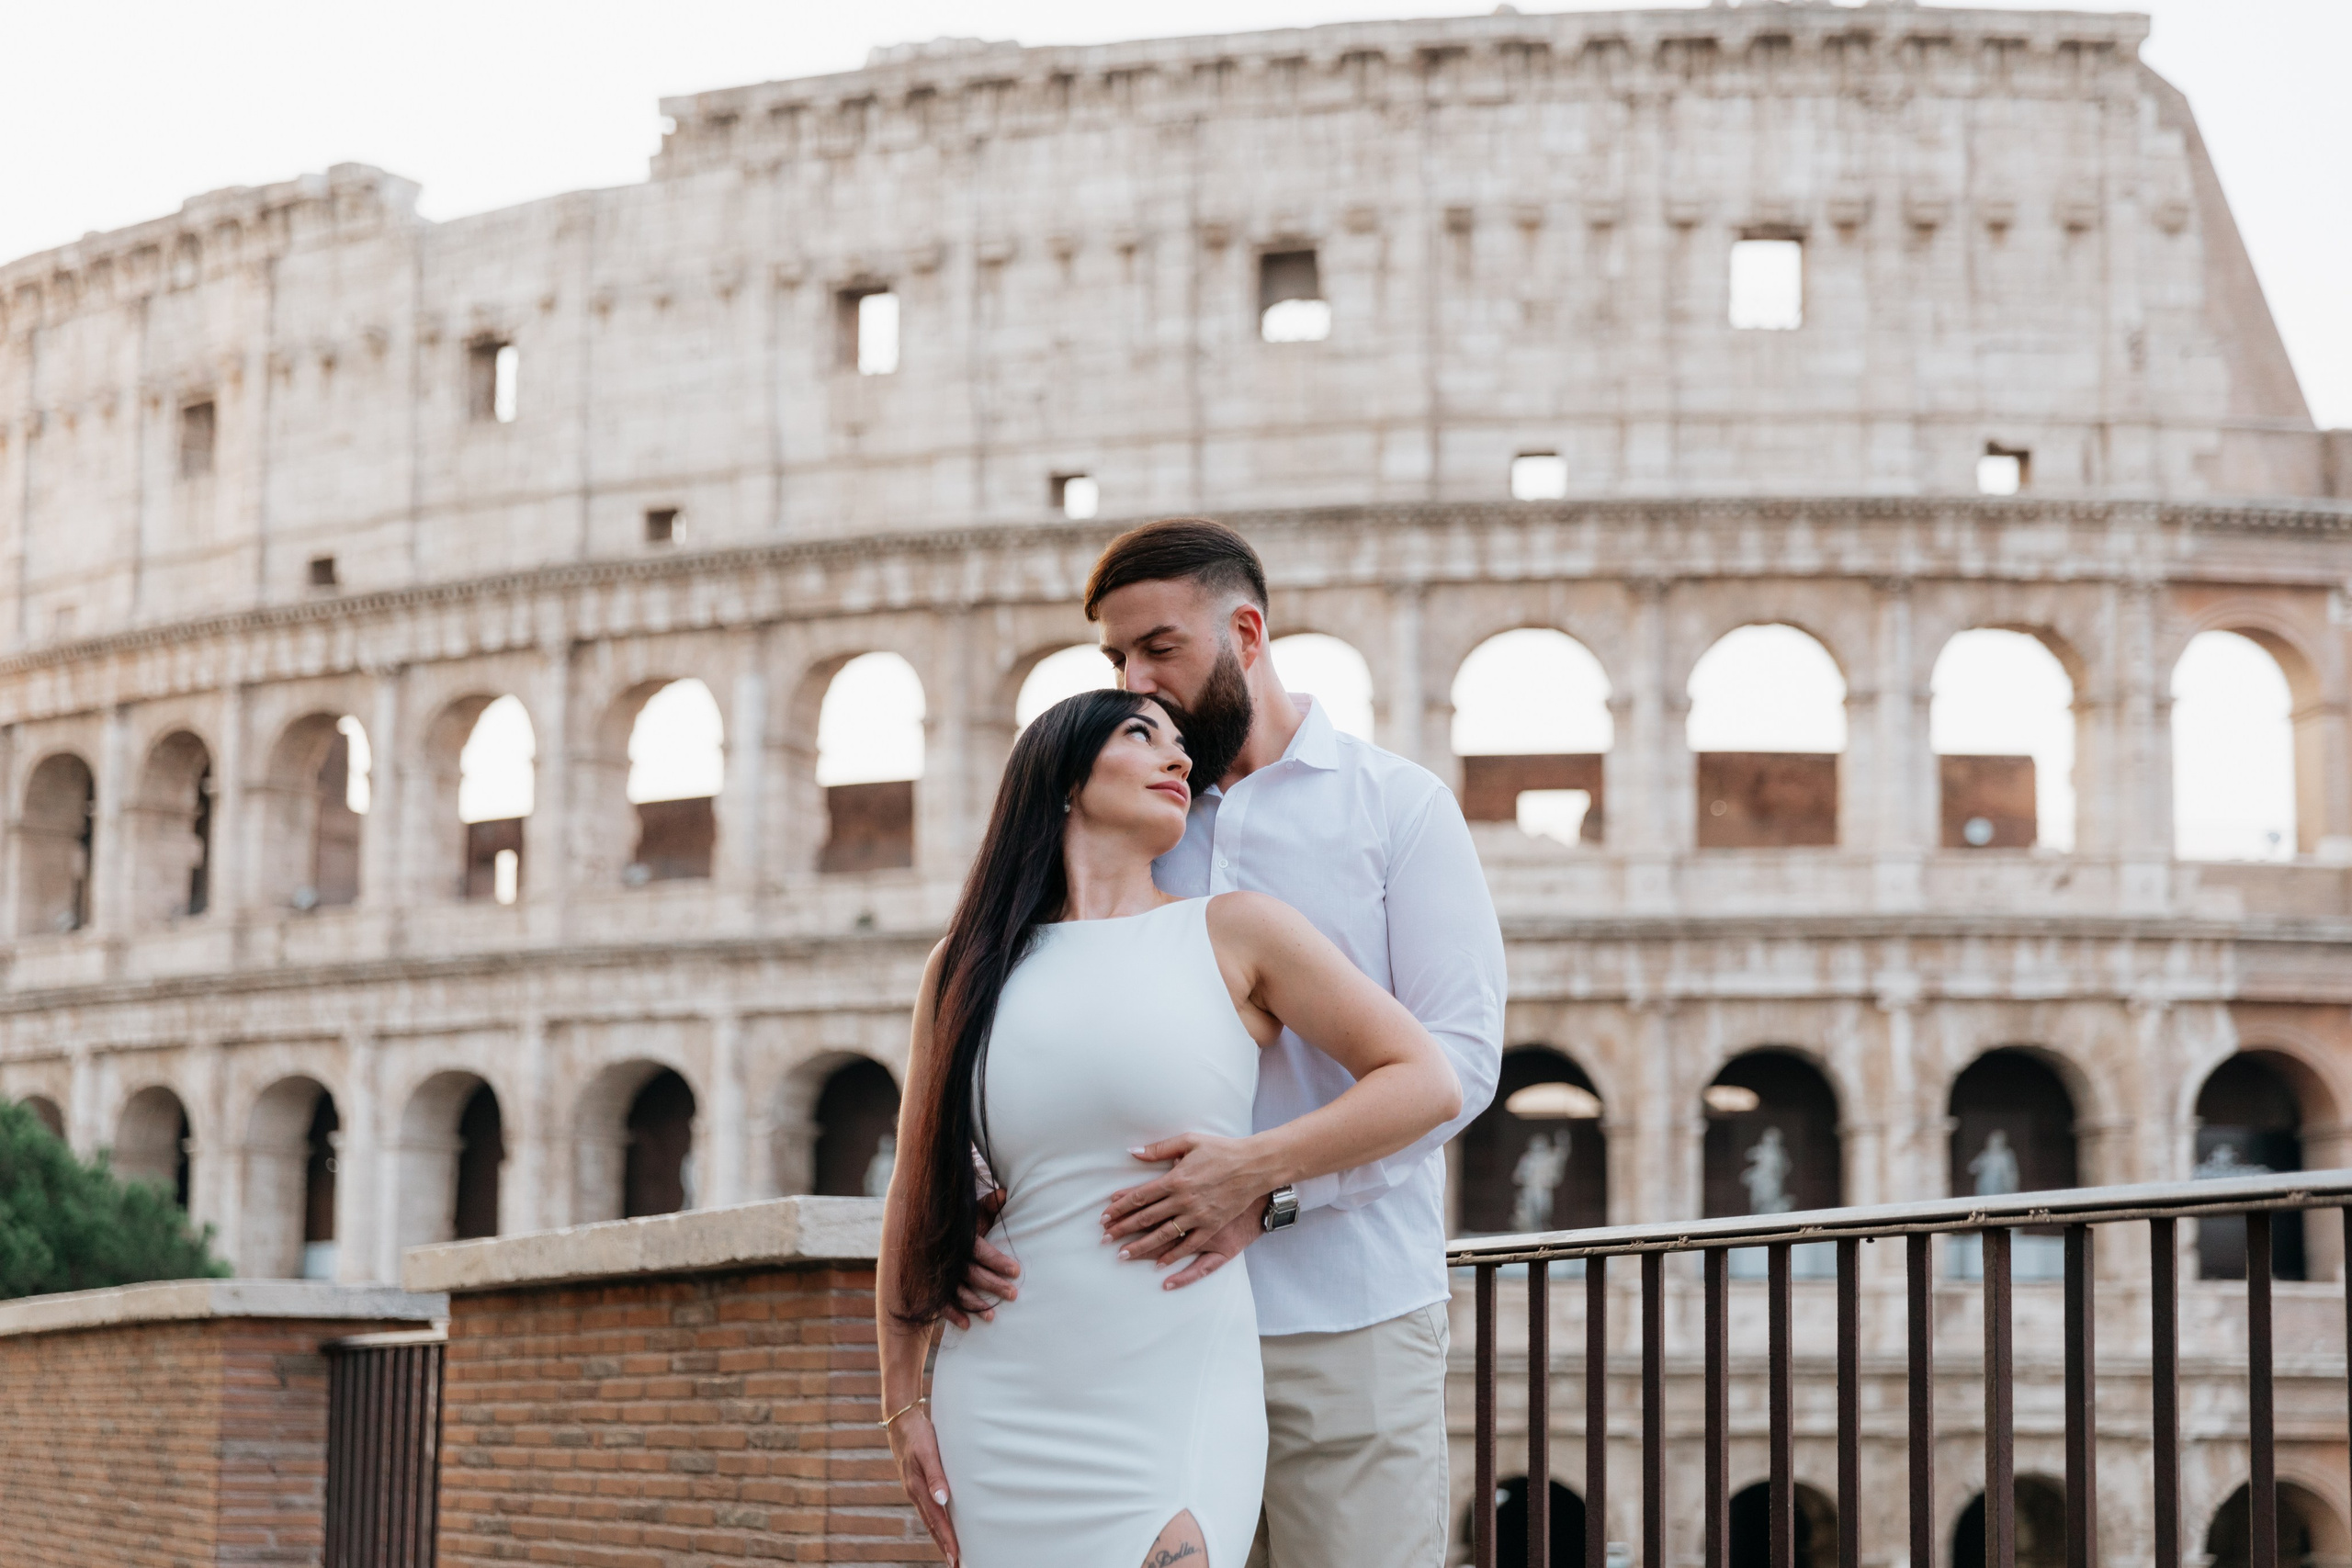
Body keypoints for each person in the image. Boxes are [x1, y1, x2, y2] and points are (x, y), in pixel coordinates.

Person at [949, 518, 1507, 1568]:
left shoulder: (1397, 808)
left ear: (1246, 633)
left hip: (1342, 1313)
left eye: (1158, 648)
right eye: (1116, 659)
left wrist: (1266, 1184)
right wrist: (980, 1190)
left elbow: (1460, 1066)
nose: (1136, 683)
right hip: (1137, 1322)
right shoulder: (1134, 810)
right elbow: (1041, 1014)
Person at [876, 686, 1463, 1568]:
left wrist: (1257, 1167)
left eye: (1181, 743)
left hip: (1175, 1375)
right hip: (1000, 1384)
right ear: (1064, 777)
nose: (1179, 756)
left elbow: (1428, 1080)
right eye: (1141, 733)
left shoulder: (1238, 929)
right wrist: (902, 1400)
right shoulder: (963, 965)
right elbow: (915, 1182)